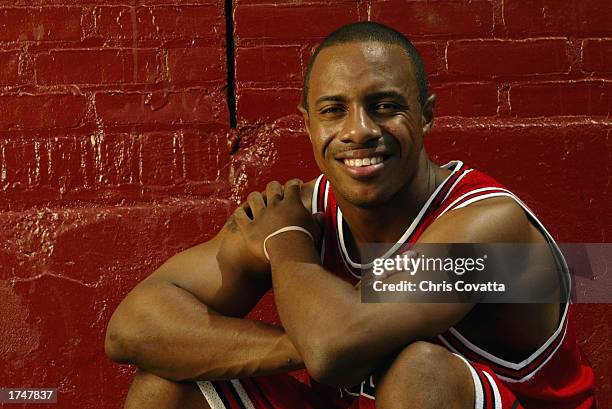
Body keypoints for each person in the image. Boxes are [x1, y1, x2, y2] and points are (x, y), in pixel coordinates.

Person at [104, 22, 595, 409]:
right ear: (309, 123)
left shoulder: (491, 229)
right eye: (334, 110)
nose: (358, 130)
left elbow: (335, 348)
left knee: (417, 369)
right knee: (166, 385)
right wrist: (295, 345)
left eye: (384, 106)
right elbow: (132, 327)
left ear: (426, 115)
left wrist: (288, 245)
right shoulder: (301, 208)